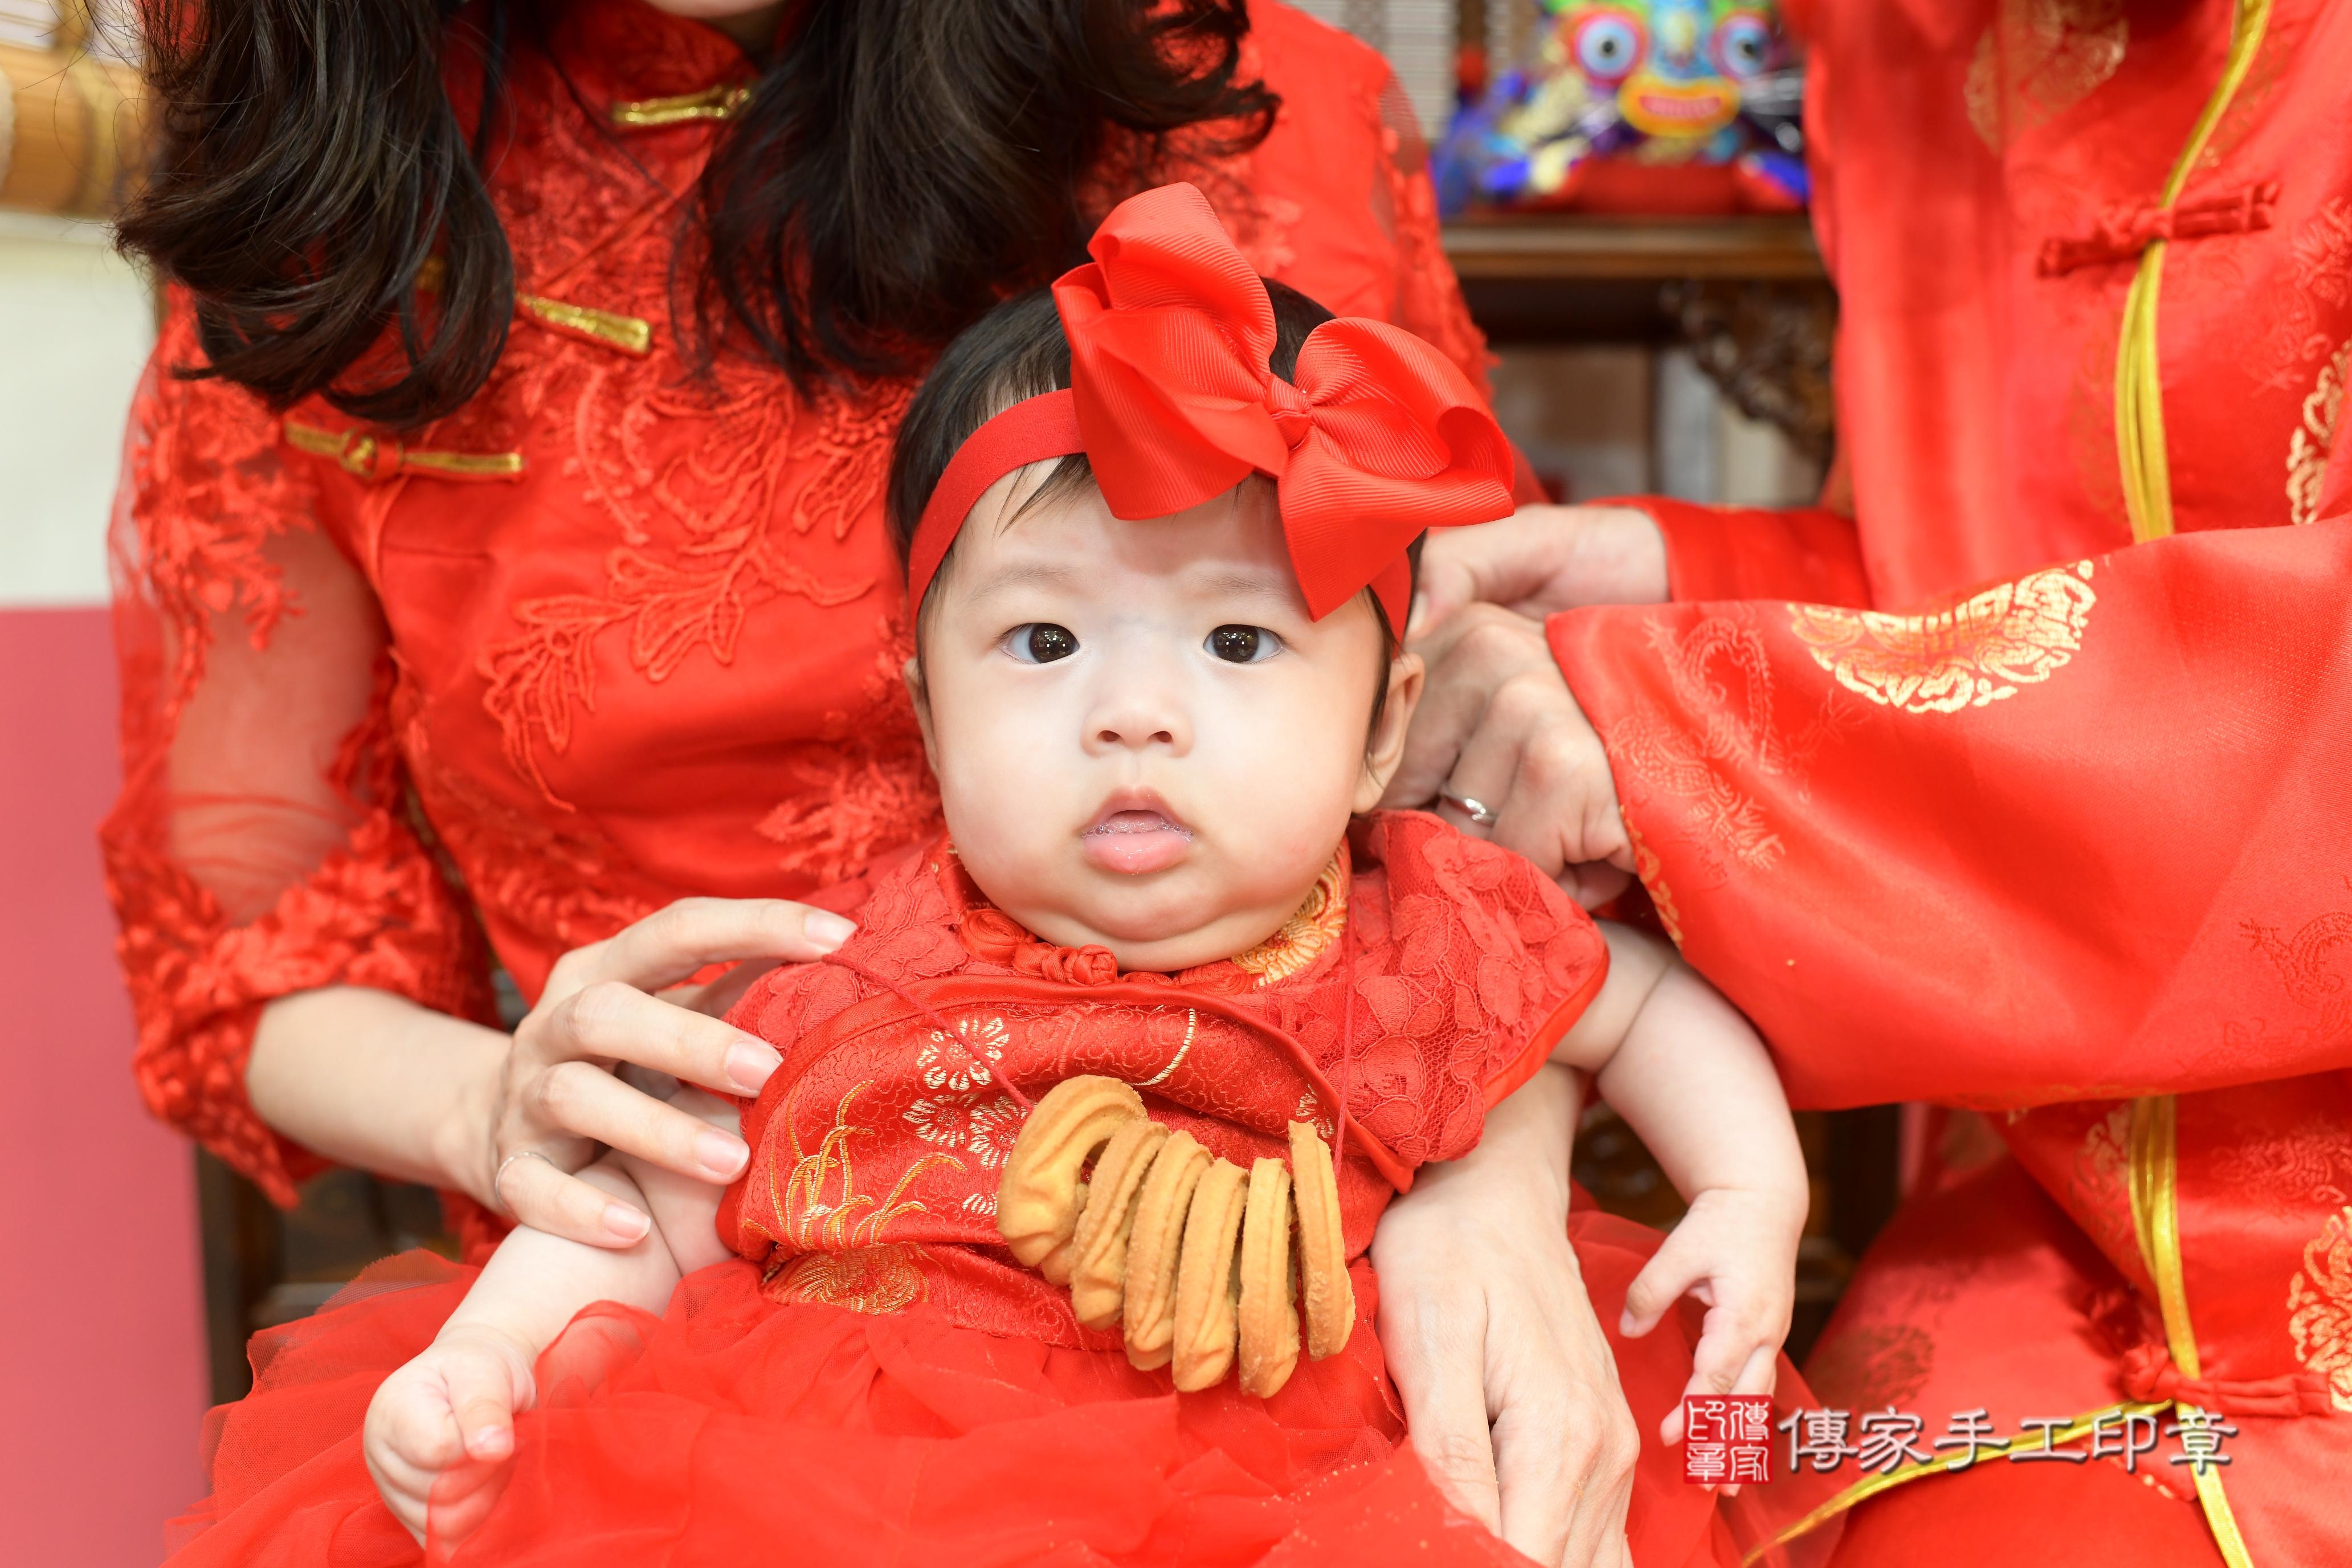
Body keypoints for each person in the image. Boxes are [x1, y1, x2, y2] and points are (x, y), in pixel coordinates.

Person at [109, 2, 1657, 1561]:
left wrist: (1483, 1175)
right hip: (698, 1322)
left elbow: (1468, 781)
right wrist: (515, 1115)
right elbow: (257, 969)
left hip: (1316, 1276)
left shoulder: (1240, 109)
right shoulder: (329, 208)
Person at [1377, 1, 2352, 1563]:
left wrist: (1681, 723)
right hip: (2059, 1198)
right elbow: (1979, 577)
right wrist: (1666, 589)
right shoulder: (1901, 44)